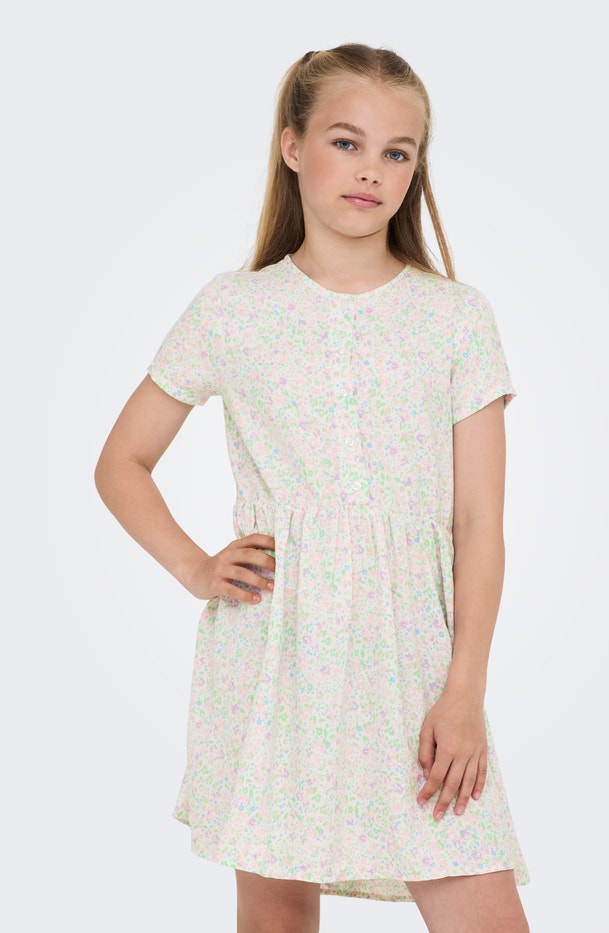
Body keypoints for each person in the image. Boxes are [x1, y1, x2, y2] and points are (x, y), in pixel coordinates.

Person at [95, 42, 530, 933]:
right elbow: (121, 462)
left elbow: (479, 522)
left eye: (397, 152)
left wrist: (464, 692)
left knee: (478, 902)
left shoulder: (455, 318)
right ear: (292, 146)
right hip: (271, 658)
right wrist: (194, 566)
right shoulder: (233, 308)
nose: (371, 170)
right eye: (346, 141)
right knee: (276, 917)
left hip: (416, 666)